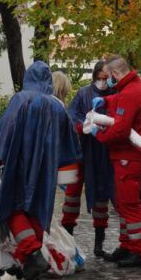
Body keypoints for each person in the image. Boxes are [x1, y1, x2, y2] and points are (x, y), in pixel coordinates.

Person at [0, 61, 81, 280]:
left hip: (19, 165)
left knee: (13, 208)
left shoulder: (20, 99)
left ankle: (34, 256)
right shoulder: (58, 105)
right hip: (45, 170)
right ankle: (30, 266)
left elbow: (5, 132)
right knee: (36, 211)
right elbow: (71, 142)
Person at [91, 55, 141, 268]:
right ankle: (127, 245)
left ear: (115, 73)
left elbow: (120, 130)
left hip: (129, 156)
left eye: (107, 76)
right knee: (124, 205)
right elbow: (119, 100)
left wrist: (99, 136)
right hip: (128, 155)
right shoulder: (136, 87)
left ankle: (139, 253)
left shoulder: (129, 93)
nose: (106, 81)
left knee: (130, 204)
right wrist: (106, 101)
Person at [60, 60, 118, 258]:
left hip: (103, 153)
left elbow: (121, 120)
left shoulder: (115, 94)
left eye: (105, 79)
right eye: (99, 78)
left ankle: (99, 244)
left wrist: (107, 129)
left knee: (101, 198)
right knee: (71, 196)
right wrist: (83, 127)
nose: (102, 82)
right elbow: (72, 116)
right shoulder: (83, 93)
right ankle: (68, 239)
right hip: (81, 151)